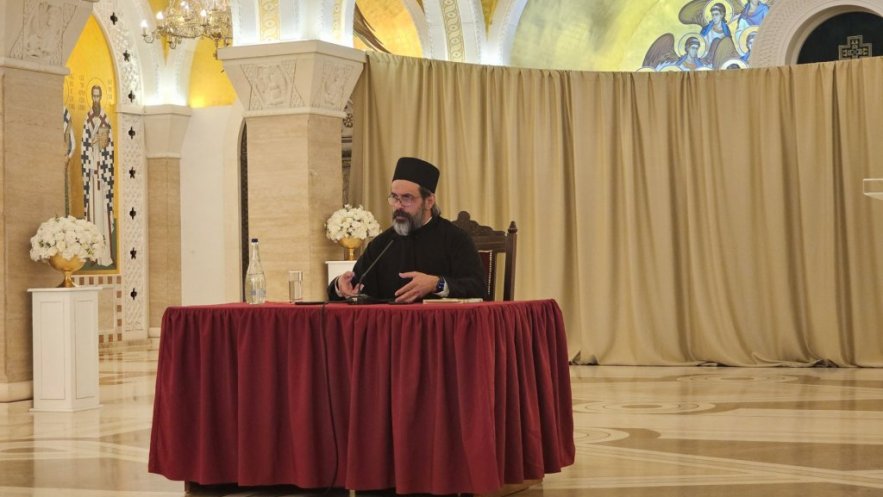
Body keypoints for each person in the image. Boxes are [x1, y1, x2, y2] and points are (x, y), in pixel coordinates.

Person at [328, 157, 486, 303]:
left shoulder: (455, 239)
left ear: (429, 201)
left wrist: (436, 284)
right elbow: (355, 287)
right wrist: (339, 285)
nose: (398, 205)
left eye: (406, 198)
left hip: (440, 323)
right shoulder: (383, 244)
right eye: (394, 197)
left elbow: (478, 288)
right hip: (390, 323)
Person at [81, 84, 114, 266]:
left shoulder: (105, 119)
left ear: (101, 97)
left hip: (102, 173)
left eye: (98, 96)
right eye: (93, 96)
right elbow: (83, 145)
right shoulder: (87, 120)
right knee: (92, 212)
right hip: (91, 175)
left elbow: (110, 145)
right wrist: (91, 143)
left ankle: (105, 254)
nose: (95, 100)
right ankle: (93, 255)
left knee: (103, 210)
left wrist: (103, 145)